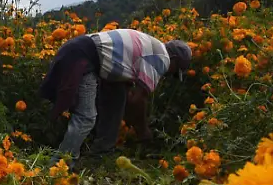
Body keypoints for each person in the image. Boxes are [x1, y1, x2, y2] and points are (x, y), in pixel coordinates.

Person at [39, 28, 193, 160]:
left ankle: (101, 152)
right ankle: (61, 165)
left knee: (117, 97)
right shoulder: (162, 58)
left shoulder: (153, 46)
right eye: (174, 70)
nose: (168, 74)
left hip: (78, 49)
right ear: (173, 59)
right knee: (86, 117)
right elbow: (137, 101)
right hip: (83, 57)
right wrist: (143, 130)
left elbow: (128, 98)